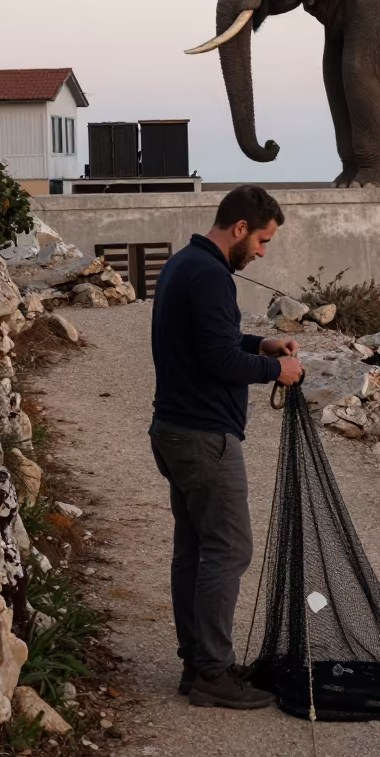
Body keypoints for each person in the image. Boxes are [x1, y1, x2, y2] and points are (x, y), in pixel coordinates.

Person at [149, 184, 303, 709]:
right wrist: (276, 369)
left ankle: (197, 664)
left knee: (194, 550)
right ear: (240, 229)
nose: (262, 251)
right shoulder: (213, 277)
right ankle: (212, 673)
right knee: (229, 549)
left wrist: (257, 343)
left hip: (172, 430)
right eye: (262, 240)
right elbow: (218, 363)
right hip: (203, 437)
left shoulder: (182, 265)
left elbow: (209, 342)